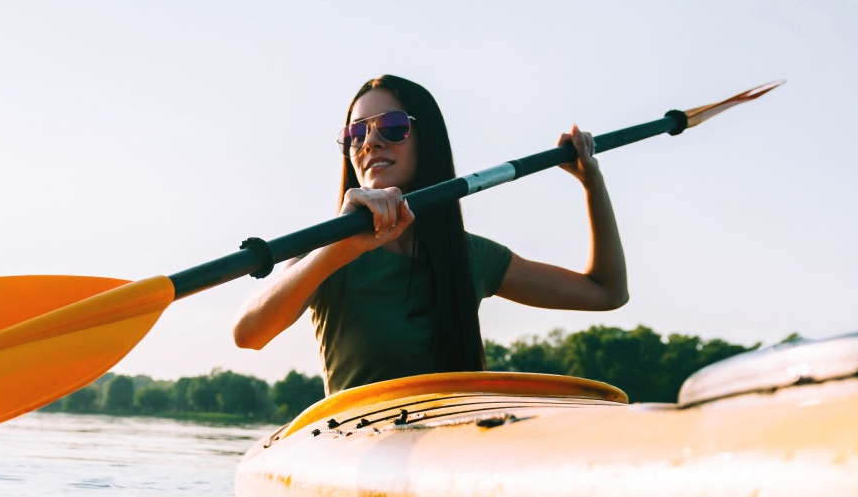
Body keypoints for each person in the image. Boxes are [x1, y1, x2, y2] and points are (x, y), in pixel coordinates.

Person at [233, 75, 628, 395]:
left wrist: (593, 184)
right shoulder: (323, 251)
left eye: (391, 127)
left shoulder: (471, 256)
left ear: (428, 141)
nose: (369, 141)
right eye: (356, 133)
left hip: (450, 443)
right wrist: (340, 248)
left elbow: (606, 293)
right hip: (356, 447)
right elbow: (249, 333)